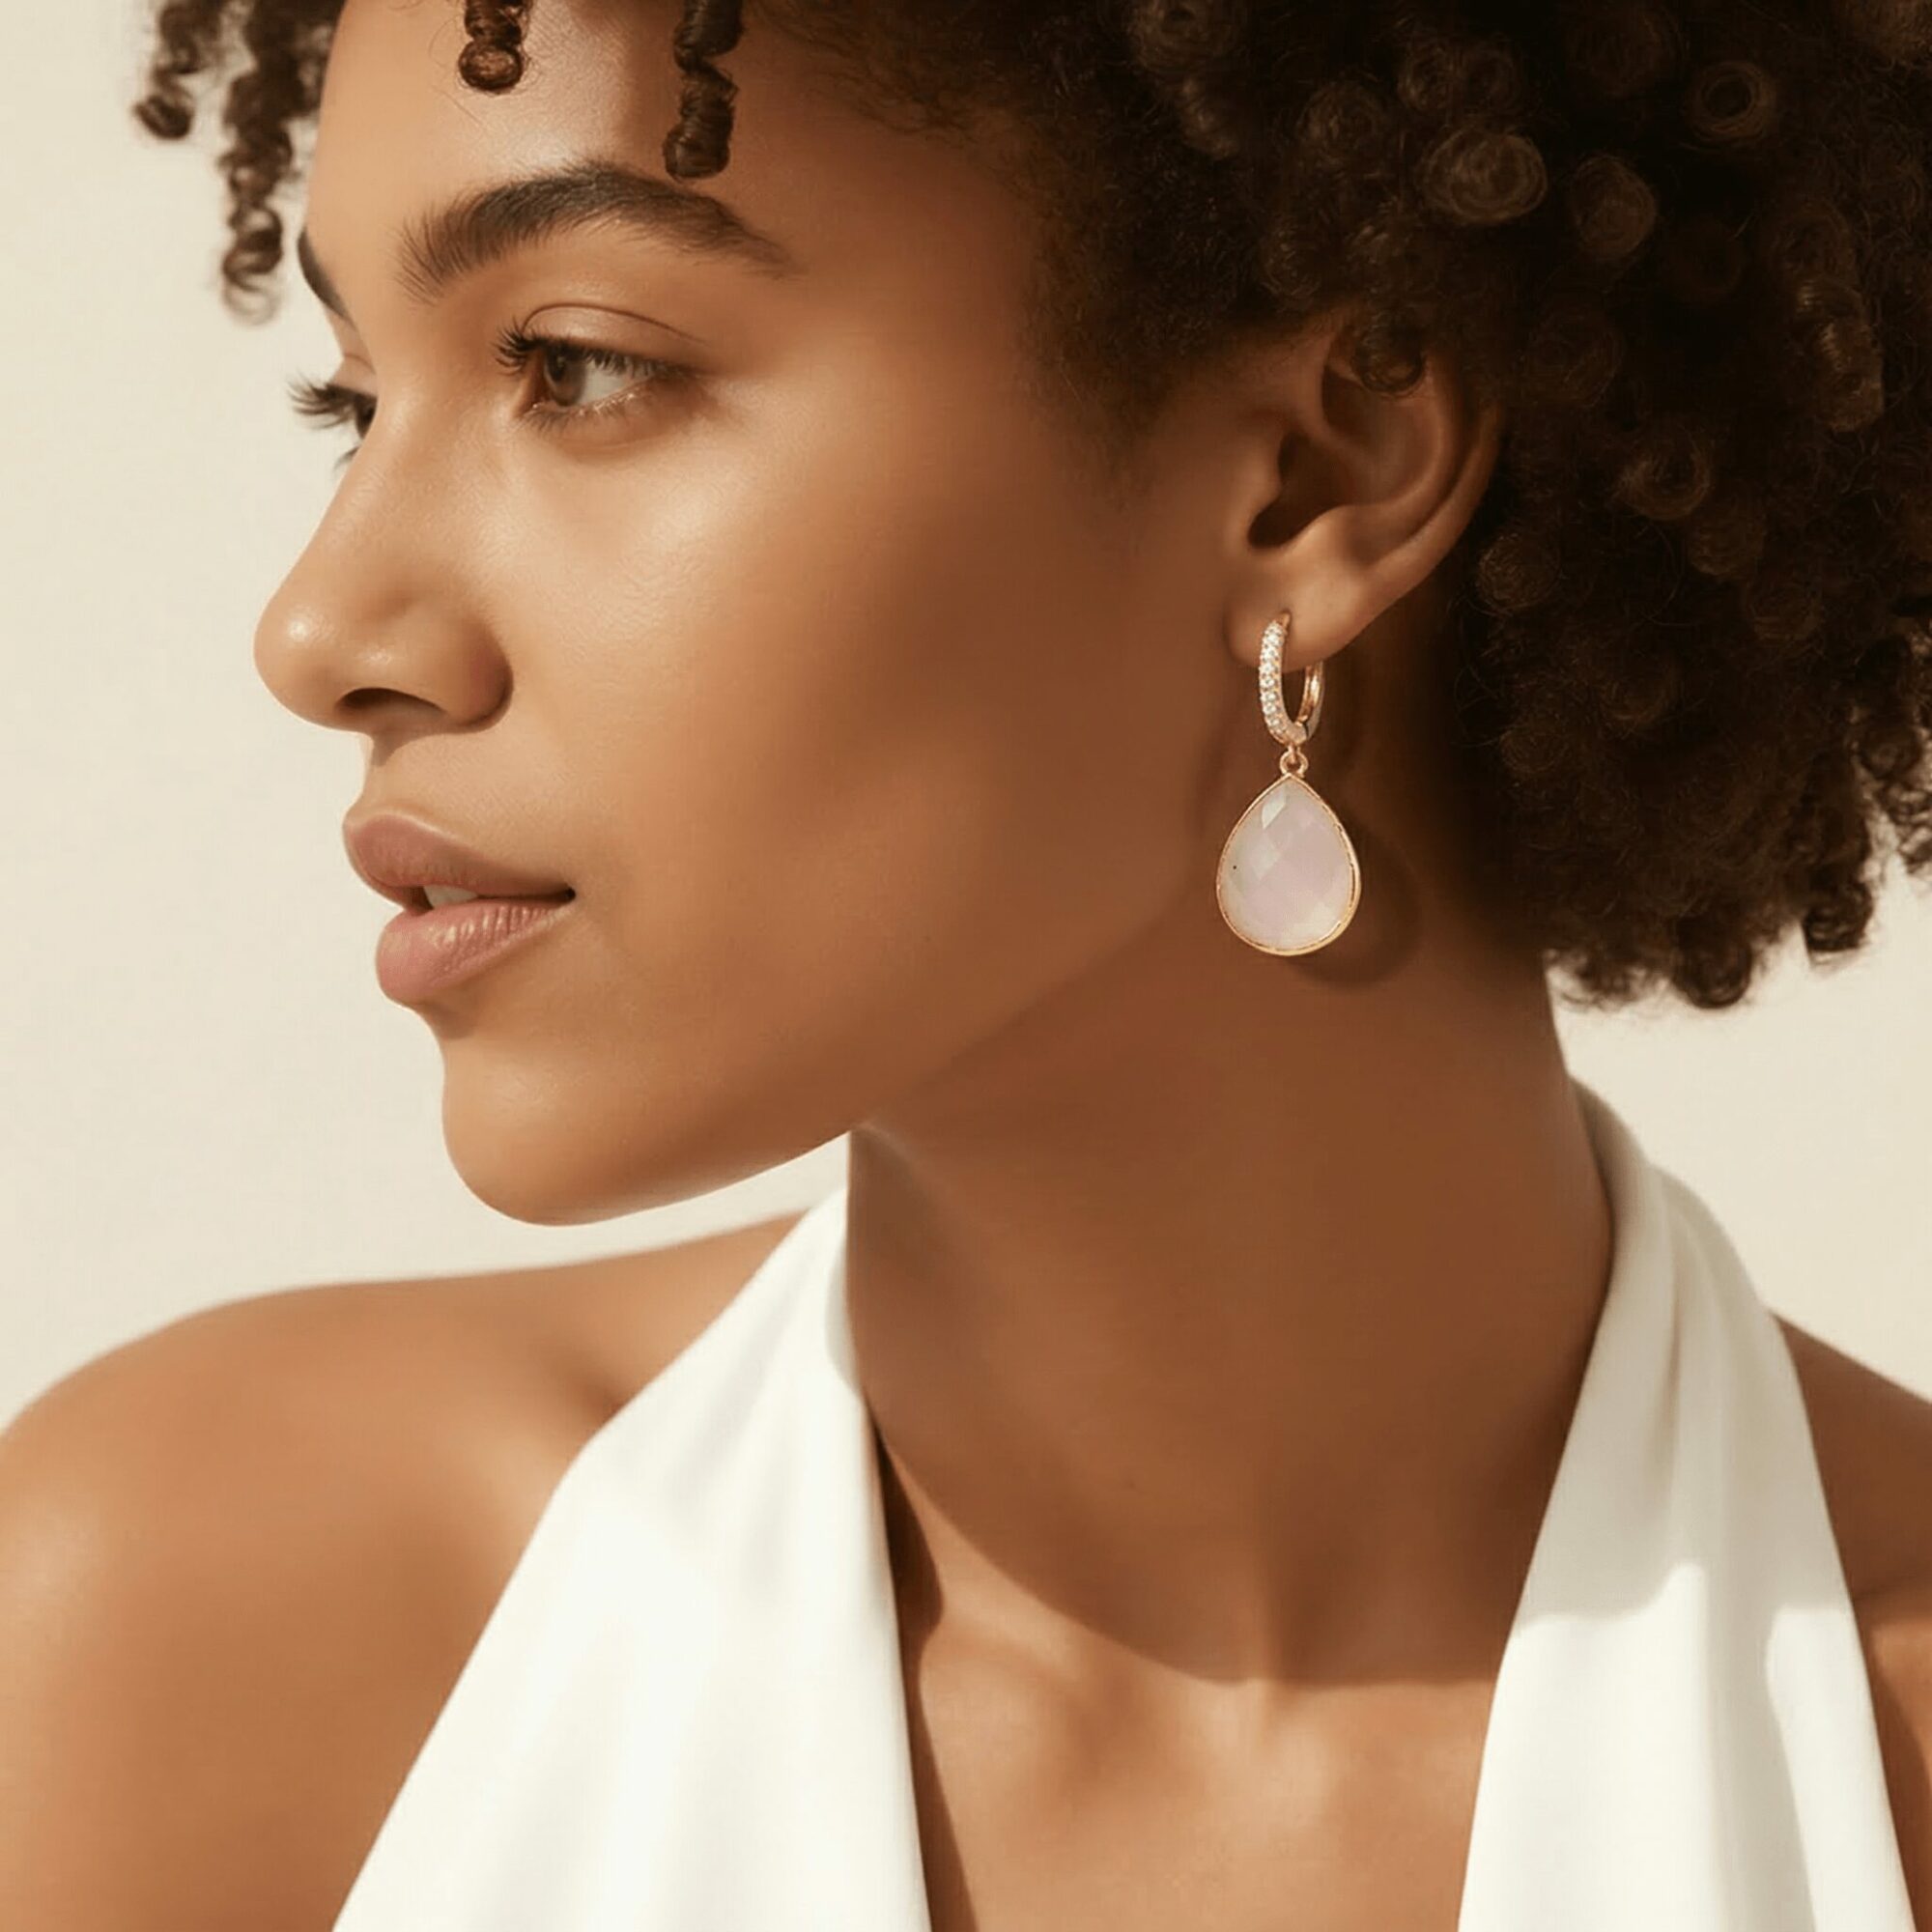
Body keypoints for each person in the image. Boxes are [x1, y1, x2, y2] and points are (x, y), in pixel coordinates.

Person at [5, 0, 1932, 1923]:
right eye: (351, 402)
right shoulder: (182, 1632)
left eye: (576, 368)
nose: (323, 623)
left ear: (1312, 480)